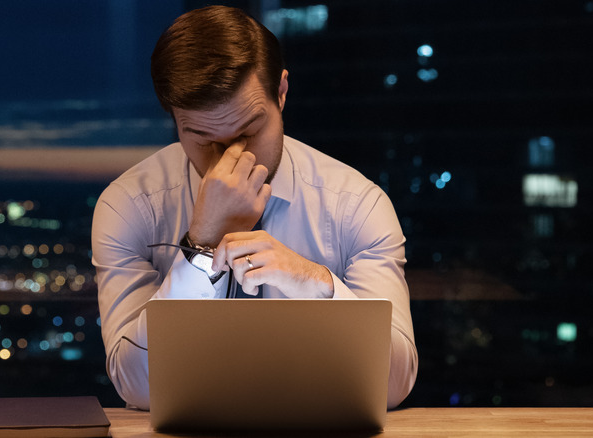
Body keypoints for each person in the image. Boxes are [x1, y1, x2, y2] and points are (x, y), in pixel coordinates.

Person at [92, 5, 417, 410]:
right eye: (202, 138)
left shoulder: (355, 206)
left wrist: (315, 283)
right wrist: (201, 247)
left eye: (249, 131)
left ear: (281, 92)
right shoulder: (130, 207)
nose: (232, 160)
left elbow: (394, 383)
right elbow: (138, 387)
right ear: (173, 119)